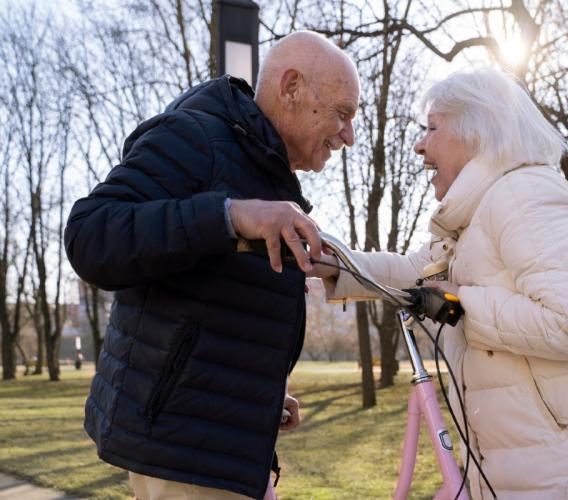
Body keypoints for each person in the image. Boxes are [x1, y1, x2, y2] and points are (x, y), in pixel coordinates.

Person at [311, 68, 568, 499]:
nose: (419, 145)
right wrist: (331, 262)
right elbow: (416, 272)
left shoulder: (525, 196)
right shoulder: (475, 218)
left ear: (476, 132)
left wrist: (459, 306)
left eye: (432, 128)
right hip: (539, 464)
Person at [64, 31, 359, 500]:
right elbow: (91, 235)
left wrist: (255, 392)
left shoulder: (258, 165)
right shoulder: (197, 137)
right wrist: (230, 214)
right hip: (183, 456)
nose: (349, 135)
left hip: (215, 445)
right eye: (343, 114)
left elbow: (212, 308)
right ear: (291, 88)